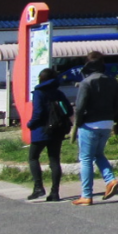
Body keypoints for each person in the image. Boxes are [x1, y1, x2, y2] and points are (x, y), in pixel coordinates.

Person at [72, 51, 118, 206]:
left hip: (90, 124)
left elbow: (80, 107)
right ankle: (110, 180)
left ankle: (86, 195)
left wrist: (78, 123)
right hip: (107, 122)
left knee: (86, 158)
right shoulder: (112, 81)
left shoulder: (87, 82)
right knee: (98, 154)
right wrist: (111, 116)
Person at [26, 67, 72, 202]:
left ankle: (38, 187)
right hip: (57, 130)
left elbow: (38, 113)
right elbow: (68, 111)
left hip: (41, 130)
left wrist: (30, 124)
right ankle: (55, 192)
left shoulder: (39, 93)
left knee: (33, 157)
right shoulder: (58, 93)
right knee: (54, 160)